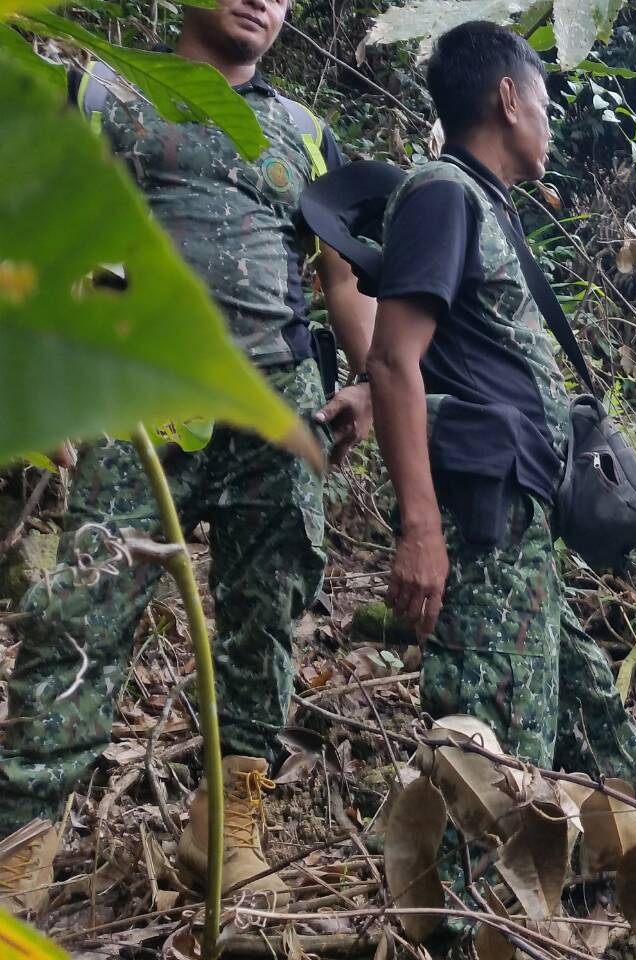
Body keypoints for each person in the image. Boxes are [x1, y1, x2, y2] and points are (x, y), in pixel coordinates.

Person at [0, 0, 375, 912]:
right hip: (138, 400)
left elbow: (342, 273)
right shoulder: (103, 91)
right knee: (81, 609)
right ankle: (23, 840)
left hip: (276, 400)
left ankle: (226, 827)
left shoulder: (304, 132)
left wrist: (370, 380)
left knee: (267, 613)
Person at [363, 21, 636, 862]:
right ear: (509, 100)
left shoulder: (481, 202)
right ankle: (465, 911)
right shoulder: (443, 193)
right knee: (494, 746)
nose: (550, 123)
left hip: (517, 513)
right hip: (480, 514)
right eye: (545, 104)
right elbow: (393, 359)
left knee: (578, 691)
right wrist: (420, 529)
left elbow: (447, 356)